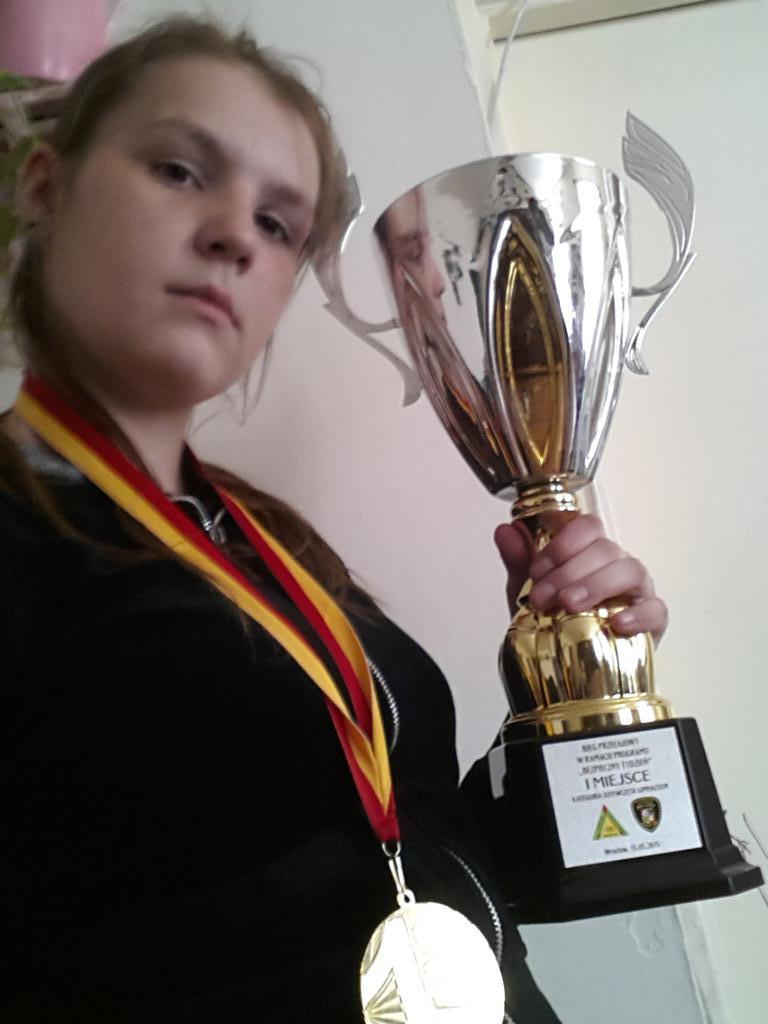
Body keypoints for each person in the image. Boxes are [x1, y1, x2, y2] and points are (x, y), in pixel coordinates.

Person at [0, 16, 668, 1024]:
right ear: (45, 186)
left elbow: (407, 846)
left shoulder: (267, 538)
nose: (235, 233)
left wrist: (577, 703)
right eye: (179, 170)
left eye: (279, 223)